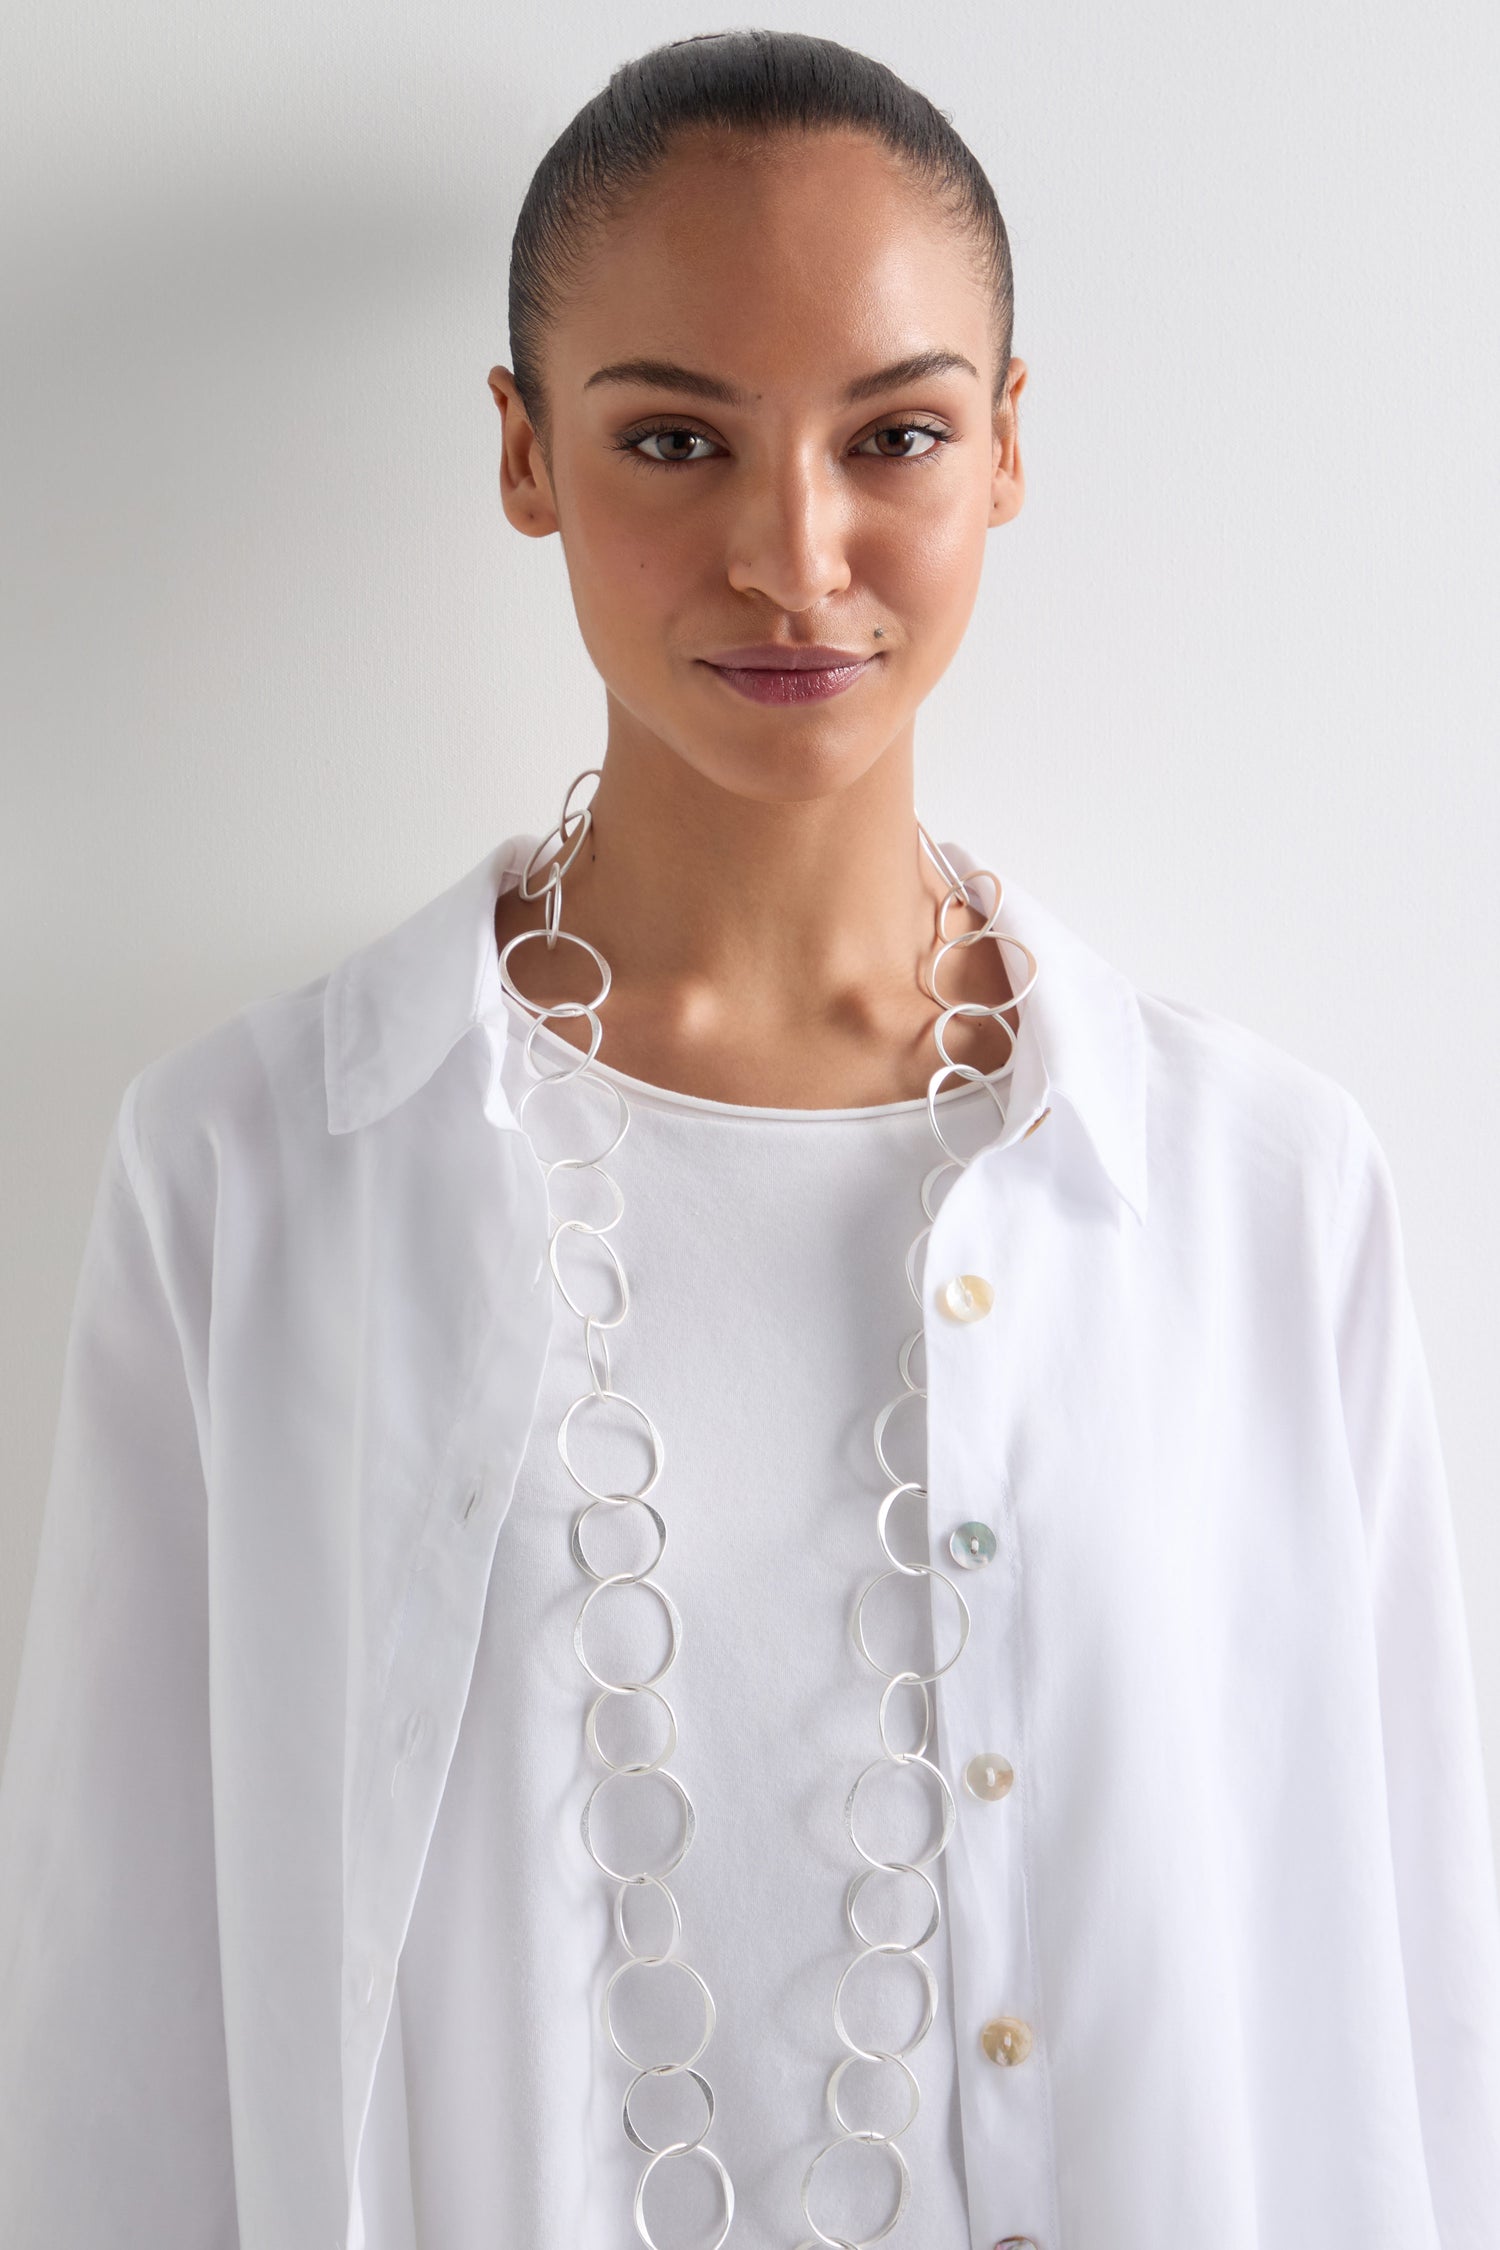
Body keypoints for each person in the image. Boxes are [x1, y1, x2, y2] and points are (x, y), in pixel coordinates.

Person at [2, 27, 1497, 2250]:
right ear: (523, 454)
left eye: (892, 433)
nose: (793, 555)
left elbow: (1394, 2015)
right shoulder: (251, 1179)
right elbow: (123, 2042)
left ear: (1006, 448)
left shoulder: (1260, 1193)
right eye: (675, 438)